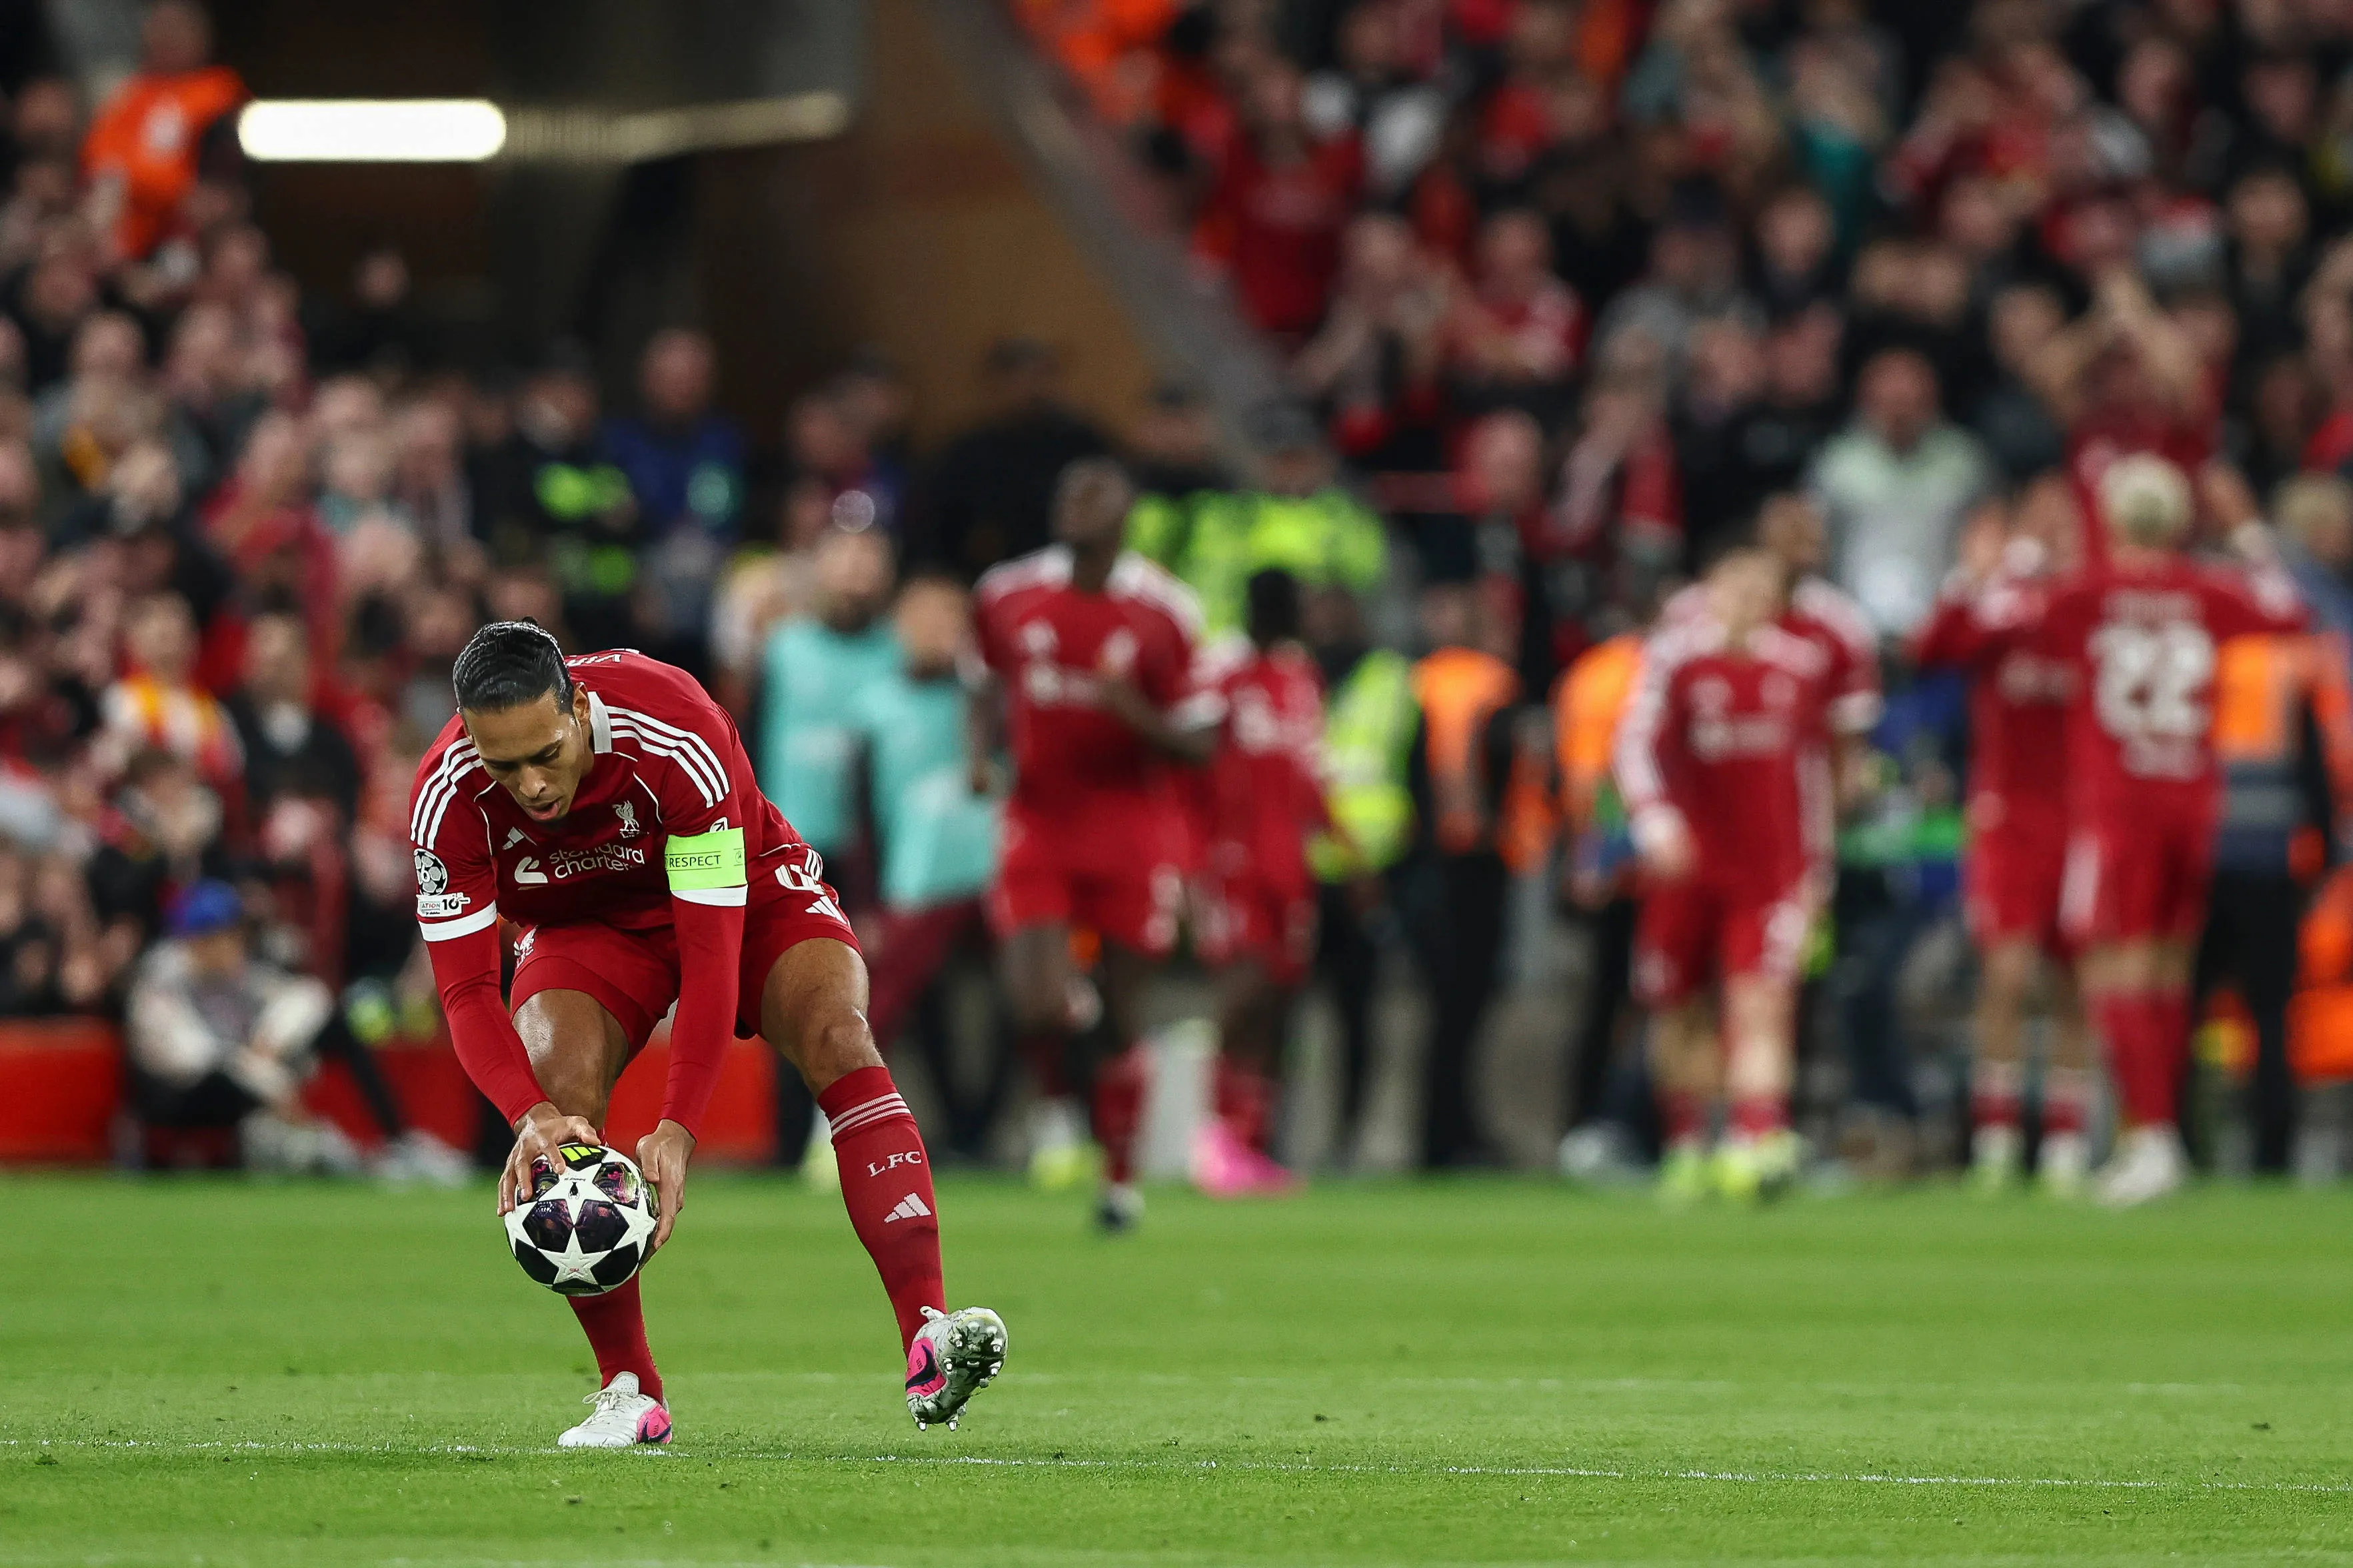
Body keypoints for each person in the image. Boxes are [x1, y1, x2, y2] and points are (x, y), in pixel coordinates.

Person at [411, 622, 1006, 1445]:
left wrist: (680, 1125)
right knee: (552, 1084)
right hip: (585, 926)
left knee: (837, 1033)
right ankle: (630, 1389)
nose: (532, 786)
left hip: (745, 896)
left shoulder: (675, 730)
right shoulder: (445, 794)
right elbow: (469, 989)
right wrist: (528, 1117)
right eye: (502, 765)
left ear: (579, 708)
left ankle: (927, 1331)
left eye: (546, 752)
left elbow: (711, 954)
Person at [1985, 457, 2307, 1205]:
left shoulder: (2088, 594)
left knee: (2115, 973)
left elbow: (2001, 612)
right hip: (2192, 802)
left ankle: (2153, 1136)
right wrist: (2248, 531)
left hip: (2117, 807)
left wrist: (2028, 545)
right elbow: (2289, 611)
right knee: (2165, 974)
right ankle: (2158, 1137)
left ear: (2111, 518)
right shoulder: (2205, 591)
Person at [969, 458, 1218, 1231]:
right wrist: (980, 755)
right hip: (1039, 817)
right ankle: (1062, 1097)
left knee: (1122, 1015)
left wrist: (1133, 712)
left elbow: (1201, 741)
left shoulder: (1166, 610)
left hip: (1128, 827)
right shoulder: (1006, 594)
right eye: (1067, 491)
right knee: (1035, 997)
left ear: (1126, 513)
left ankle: (1118, 1181)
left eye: (1093, 495)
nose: (1074, 504)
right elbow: (981, 681)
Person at [1616, 545, 1824, 1203]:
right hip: (1687, 866)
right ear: (1710, 591)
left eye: (1759, 589)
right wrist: (1656, 825)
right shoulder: (1674, 660)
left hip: (1767, 870)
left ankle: (1751, 1140)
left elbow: (1810, 776)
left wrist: (1816, 867)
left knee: (1759, 1001)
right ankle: (1684, 1145)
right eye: (1733, 586)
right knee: (1679, 1006)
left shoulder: (1796, 668)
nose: (1745, 600)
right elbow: (1631, 747)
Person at [1912, 478, 2095, 1193]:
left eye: (2064, 520)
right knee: (2006, 974)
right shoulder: (2001, 603)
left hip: (2082, 821)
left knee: (2073, 981)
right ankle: (1992, 1138)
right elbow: (1936, 647)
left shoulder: (2092, 603)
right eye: (2039, 518)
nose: (2051, 532)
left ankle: (2065, 1143)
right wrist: (1975, 570)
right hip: (2008, 817)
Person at [855, 577, 1007, 1160]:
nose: (938, 636)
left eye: (951, 622)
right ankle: (839, 1126)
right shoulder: (876, 707)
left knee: (1029, 999)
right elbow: (862, 814)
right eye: (925, 621)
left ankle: (1042, 1123)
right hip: (913, 878)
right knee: (890, 1004)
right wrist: (863, 902)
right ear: (900, 628)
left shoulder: (987, 700)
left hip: (990, 872)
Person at [1191, 570, 1330, 1195]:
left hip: (1289, 865)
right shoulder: (1219, 673)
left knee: (1277, 995)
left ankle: (1251, 1140)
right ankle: (1216, 1138)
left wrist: (1339, 846)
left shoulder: (1299, 676)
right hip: (1232, 860)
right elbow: (1188, 768)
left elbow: (1308, 771)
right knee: (1242, 988)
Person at [123, 879, 358, 1173]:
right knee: (227, 1077)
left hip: (234, 1073)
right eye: (229, 935)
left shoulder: (238, 975)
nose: (238, 944)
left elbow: (310, 996)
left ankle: (393, 1141)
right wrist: (271, 1081)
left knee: (332, 1027)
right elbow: (200, 1055)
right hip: (175, 1093)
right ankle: (289, 1148)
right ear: (201, 940)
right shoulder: (162, 981)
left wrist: (269, 1041)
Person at [1302, 579, 1416, 1162]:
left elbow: (1412, 771)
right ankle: (1267, 1136)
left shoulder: (1390, 679)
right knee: (1282, 1013)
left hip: (1370, 874)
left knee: (1358, 1014)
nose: (1327, 620)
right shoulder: (1289, 676)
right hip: (1301, 871)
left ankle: (1349, 1137)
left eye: (1337, 607)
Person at [79, 1, 245, 262]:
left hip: (185, 226)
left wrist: (163, 188)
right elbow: (99, 158)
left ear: (202, 37)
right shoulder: (129, 93)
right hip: (124, 222)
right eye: (161, 28)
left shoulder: (217, 92)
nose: (169, 38)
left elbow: (223, 174)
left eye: (178, 29)